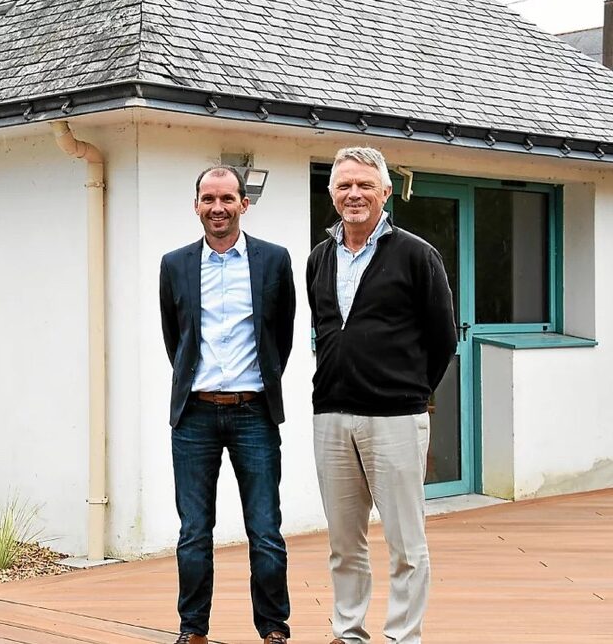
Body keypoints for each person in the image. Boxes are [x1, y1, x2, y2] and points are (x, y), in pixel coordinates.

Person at [306, 147, 457, 644]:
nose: (354, 194)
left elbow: (442, 339)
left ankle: (402, 637)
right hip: (331, 416)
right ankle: (348, 632)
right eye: (345, 185)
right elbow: (324, 330)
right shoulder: (319, 258)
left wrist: (409, 391)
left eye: (365, 185)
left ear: (386, 193)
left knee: (406, 544)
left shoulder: (417, 254)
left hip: (394, 416)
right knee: (343, 543)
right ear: (332, 194)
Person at [159, 166, 295, 644]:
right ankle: (192, 629)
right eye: (208, 198)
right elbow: (175, 339)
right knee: (194, 531)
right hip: (193, 414)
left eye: (227, 198)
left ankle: (274, 627)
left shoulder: (273, 261)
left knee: (265, 528)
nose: (218, 207)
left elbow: (283, 335)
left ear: (244, 203)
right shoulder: (174, 264)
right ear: (196, 205)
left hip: (253, 412)